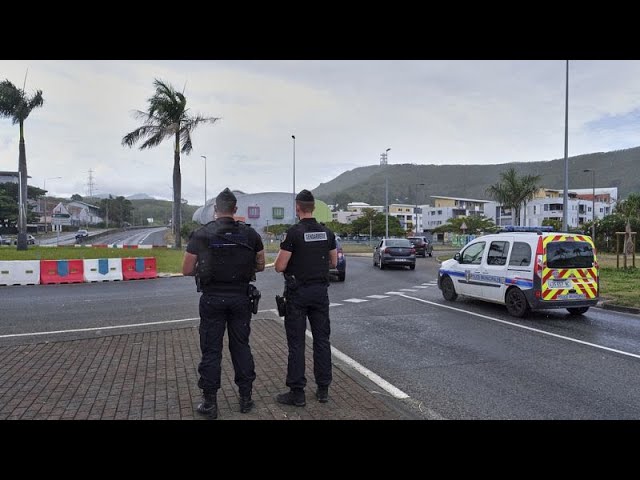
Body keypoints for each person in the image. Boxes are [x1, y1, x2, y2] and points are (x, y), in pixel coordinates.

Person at [182, 187, 265, 419]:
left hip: (212, 299)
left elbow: (186, 269)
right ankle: (246, 399)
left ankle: (210, 403)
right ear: (235, 209)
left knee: (211, 349)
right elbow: (260, 265)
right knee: (241, 347)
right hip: (241, 299)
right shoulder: (250, 235)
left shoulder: (201, 234)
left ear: (215, 210)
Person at [274, 189, 337, 406]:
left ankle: (297, 392)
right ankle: (323, 389)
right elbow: (334, 262)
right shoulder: (327, 233)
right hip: (320, 293)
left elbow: (280, 266)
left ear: (298, 208)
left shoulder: (293, 233)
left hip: (298, 294)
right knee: (322, 341)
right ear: (314, 207)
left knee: (297, 344)